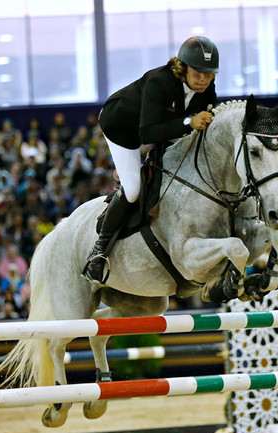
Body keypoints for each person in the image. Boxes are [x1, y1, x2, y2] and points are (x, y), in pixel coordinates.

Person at [82, 36, 219, 284]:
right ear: (184, 67)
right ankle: (98, 253)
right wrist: (189, 122)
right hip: (121, 126)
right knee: (133, 189)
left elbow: (207, 118)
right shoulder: (159, 82)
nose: (203, 80)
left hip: (159, 126)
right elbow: (147, 135)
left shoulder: (206, 86)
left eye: (208, 74)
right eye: (198, 73)